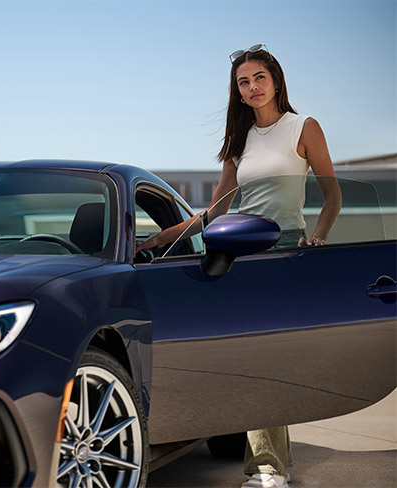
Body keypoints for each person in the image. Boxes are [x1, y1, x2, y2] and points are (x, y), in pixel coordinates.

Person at [137, 44, 342, 488]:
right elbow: (215, 211)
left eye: (259, 78)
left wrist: (319, 236)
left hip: (284, 249)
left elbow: (333, 195)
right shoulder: (239, 140)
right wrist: (159, 239)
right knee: (241, 359)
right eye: (243, 82)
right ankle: (257, 461)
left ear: (276, 80)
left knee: (268, 361)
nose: (252, 88)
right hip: (238, 250)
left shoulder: (302, 127)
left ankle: (269, 470)